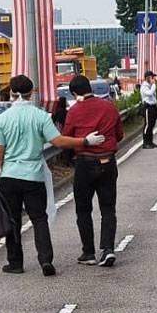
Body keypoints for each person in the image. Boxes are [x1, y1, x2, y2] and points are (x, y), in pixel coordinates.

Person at [0, 75, 105, 276]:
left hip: (10, 176)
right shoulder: (40, 116)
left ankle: (15, 262)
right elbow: (58, 141)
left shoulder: (3, 119)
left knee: (12, 219)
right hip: (34, 175)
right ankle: (45, 260)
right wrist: (85, 141)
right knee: (39, 218)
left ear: (12, 93)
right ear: (32, 92)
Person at [62, 75, 124, 268]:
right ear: (90, 87)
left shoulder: (74, 111)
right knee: (107, 208)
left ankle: (88, 252)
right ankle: (107, 249)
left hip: (85, 162)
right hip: (108, 161)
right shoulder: (109, 106)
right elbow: (119, 133)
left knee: (83, 208)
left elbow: (67, 137)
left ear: (74, 93)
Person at [140, 71, 157, 149]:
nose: (153, 79)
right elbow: (150, 93)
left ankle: (150, 141)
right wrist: (154, 84)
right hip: (147, 107)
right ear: (148, 78)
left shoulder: (150, 85)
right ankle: (145, 142)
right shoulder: (144, 86)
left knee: (151, 125)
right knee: (147, 125)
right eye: (152, 77)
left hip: (153, 106)